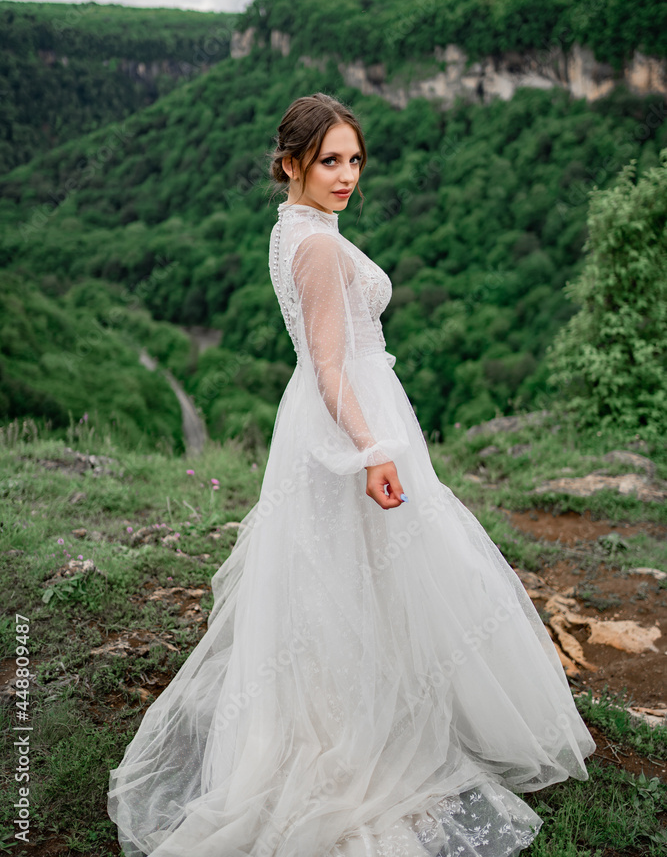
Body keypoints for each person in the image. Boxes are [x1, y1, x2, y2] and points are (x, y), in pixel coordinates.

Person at [107, 92, 596, 857]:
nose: (346, 175)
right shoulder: (320, 247)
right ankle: (360, 729)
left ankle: (347, 703)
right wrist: (373, 452)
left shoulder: (293, 229)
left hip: (323, 418)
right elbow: (332, 367)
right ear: (290, 164)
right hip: (349, 418)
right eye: (329, 161)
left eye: (354, 159)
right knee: (376, 568)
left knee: (344, 573)